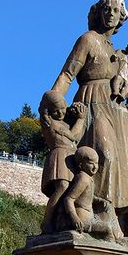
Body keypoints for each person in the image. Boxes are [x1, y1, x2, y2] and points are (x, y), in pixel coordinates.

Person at [50, 0, 128, 216]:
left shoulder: (114, 50)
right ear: (98, 13)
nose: (110, 14)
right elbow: (67, 75)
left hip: (112, 107)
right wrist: (52, 101)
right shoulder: (87, 39)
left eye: (116, 11)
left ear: (121, 18)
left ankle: (109, 217)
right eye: (106, 9)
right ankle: (89, 210)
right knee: (103, 154)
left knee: (116, 161)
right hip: (89, 102)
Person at [38, 91, 87, 233]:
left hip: (70, 156)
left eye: (62, 110)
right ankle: (47, 221)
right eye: (56, 111)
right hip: (59, 155)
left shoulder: (63, 123)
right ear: (48, 110)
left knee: (70, 188)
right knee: (62, 187)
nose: (60, 113)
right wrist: (81, 118)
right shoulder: (49, 122)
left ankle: (61, 219)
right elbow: (73, 136)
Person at [59, 147, 126, 242]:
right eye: (91, 163)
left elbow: (86, 196)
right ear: (81, 165)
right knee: (107, 228)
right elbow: (69, 199)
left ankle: (119, 237)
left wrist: (100, 200)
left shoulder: (88, 178)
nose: (95, 167)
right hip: (83, 220)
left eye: (96, 163)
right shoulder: (83, 178)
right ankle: (110, 246)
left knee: (109, 209)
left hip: (90, 217)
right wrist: (74, 217)